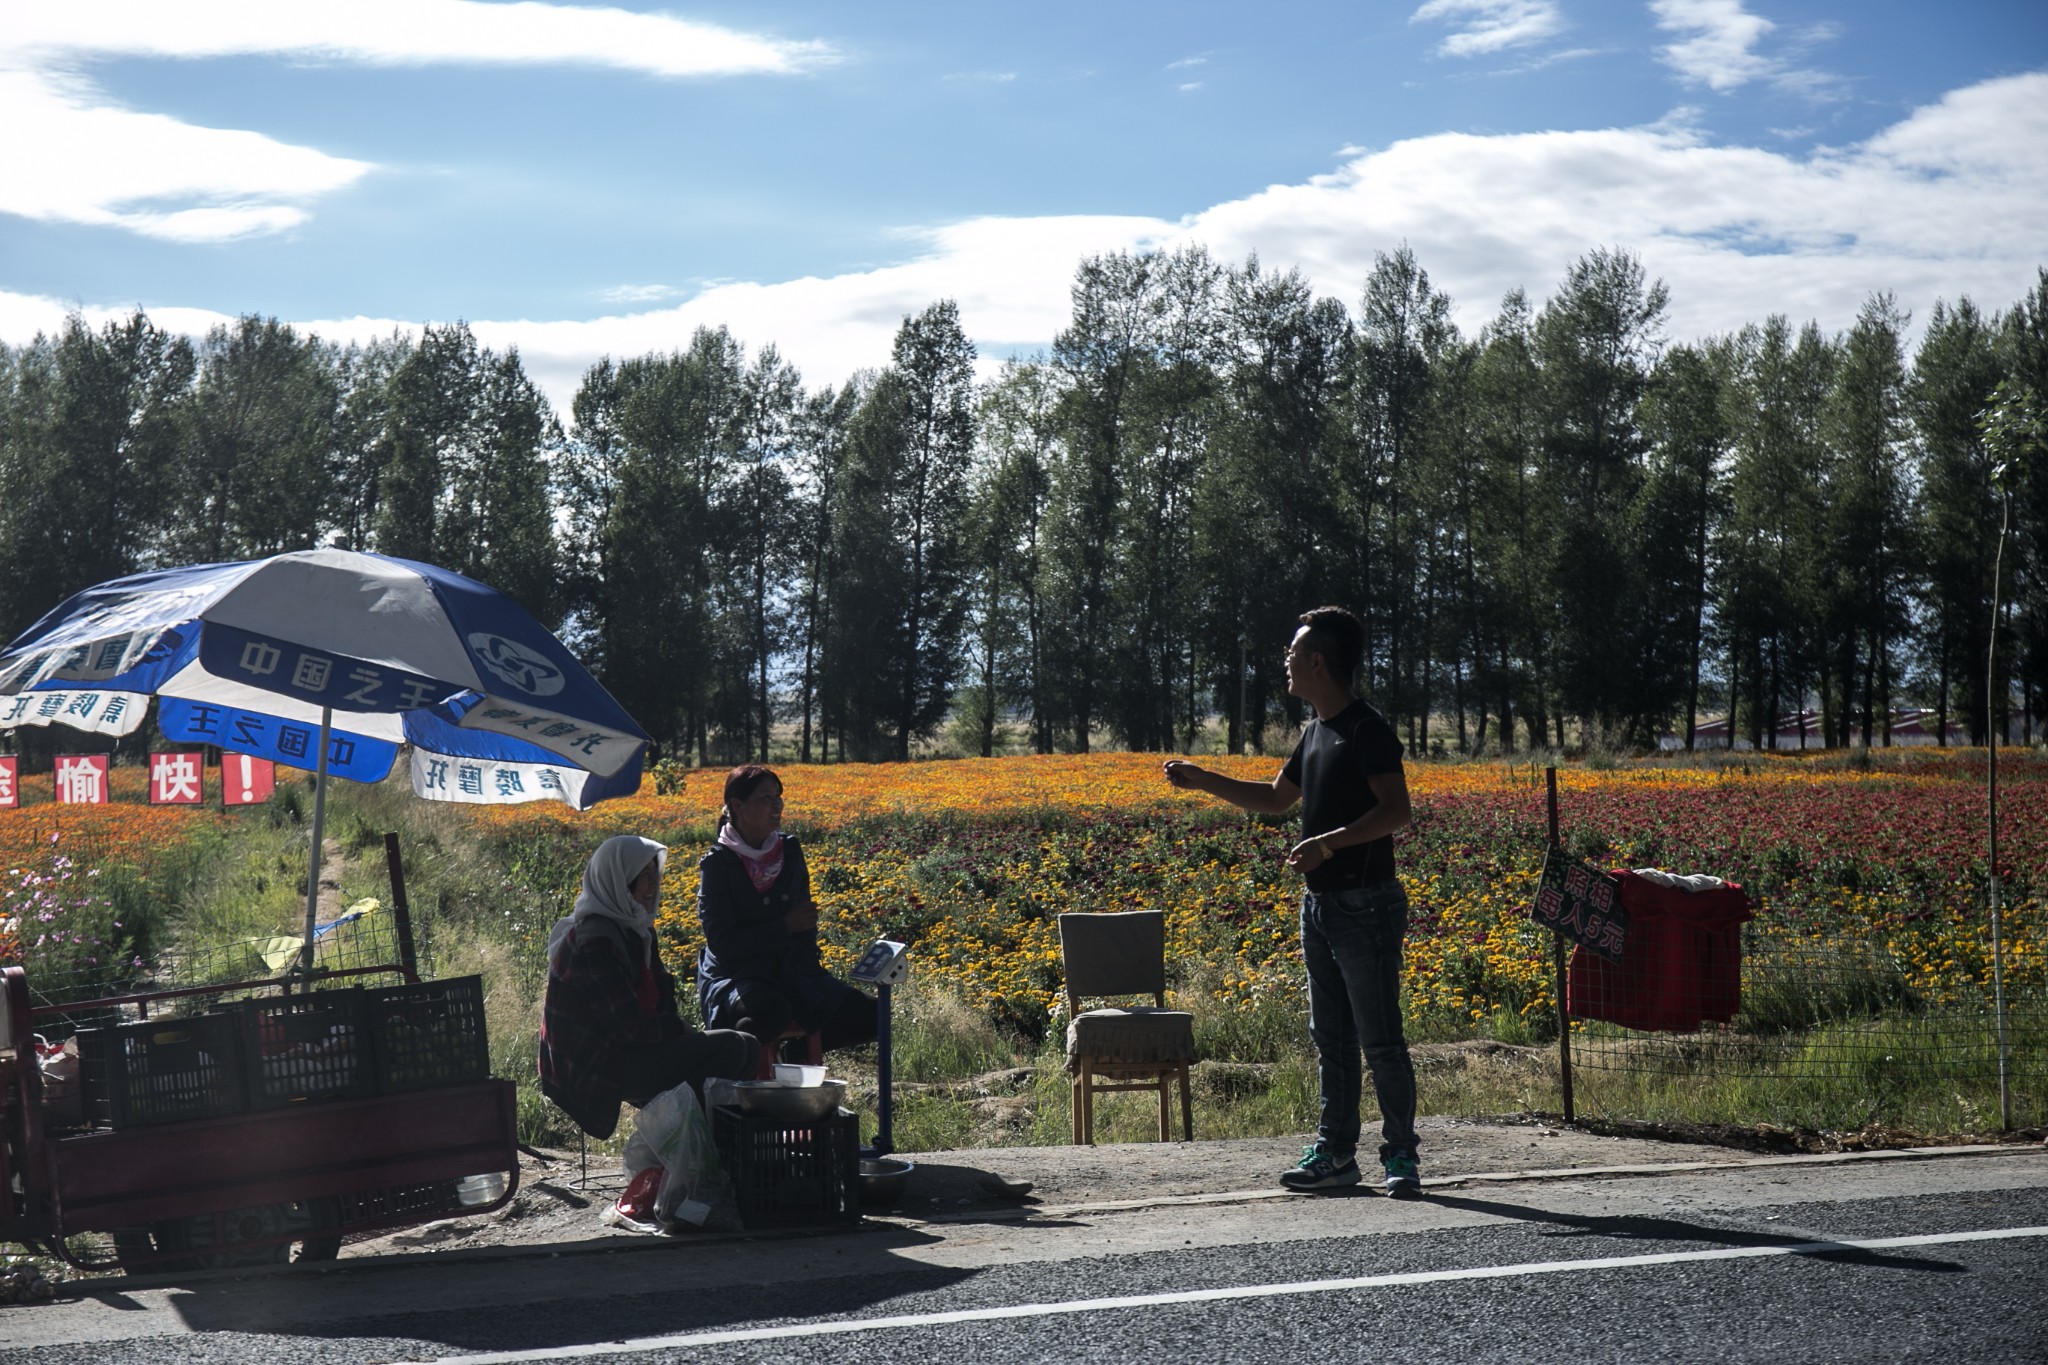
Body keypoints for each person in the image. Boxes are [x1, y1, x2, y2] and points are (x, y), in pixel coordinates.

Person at [1163, 605, 1422, 1197]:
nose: (1284, 660)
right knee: (1331, 1037)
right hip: (1323, 906)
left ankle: (1401, 1156)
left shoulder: (1366, 729)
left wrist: (1328, 845)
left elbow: (1396, 811)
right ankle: (1336, 1153)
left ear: (1317, 662)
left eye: (1292, 652)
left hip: (1367, 904)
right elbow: (1277, 799)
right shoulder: (1315, 732)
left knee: (1379, 1038)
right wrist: (1205, 779)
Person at [537, 834, 760, 1139]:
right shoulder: (594, 941)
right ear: (619, 881)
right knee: (731, 1048)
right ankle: (683, 1144)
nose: (653, 886)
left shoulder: (637, 931)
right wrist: (678, 1030)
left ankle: (701, 1148)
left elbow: (661, 1001)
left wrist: (676, 1029)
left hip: (627, 1050)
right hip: (594, 1066)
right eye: (643, 877)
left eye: (655, 874)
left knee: (748, 1045)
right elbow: (627, 1028)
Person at [696, 765, 877, 1057]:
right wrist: (783, 927)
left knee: (871, 1014)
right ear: (738, 806)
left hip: (791, 968)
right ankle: (743, 1089)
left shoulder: (789, 851)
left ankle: (795, 1059)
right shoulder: (718, 864)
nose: (777, 805)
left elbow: (805, 924)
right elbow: (724, 944)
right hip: (738, 975)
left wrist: (807, 972)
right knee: (764, 1017)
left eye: (778, 796)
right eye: (766, 798)